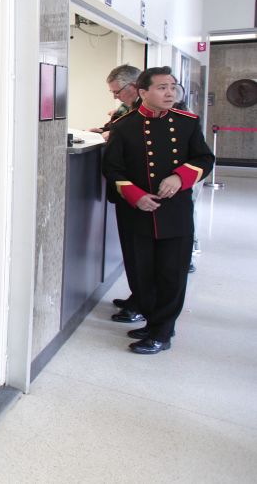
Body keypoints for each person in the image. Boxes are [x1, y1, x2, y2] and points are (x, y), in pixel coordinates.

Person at [102, 67, 214, 354]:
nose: (169, 92)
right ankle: (154, 323)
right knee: (142, 272)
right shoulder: (123, 126)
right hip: (137, 211)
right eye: (162, 87)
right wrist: (135, 195)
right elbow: (112, 168)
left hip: (174, 210)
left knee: (170, 273)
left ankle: (163, 332)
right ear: (143, 92)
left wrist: (180, 177)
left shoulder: (187, 122)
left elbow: (204, 158)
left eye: (172, 86)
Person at [90, 64, 141, 140]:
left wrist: (116, 135)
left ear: (133, 86)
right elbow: (114, 125)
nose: (114, 97)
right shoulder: (126, 106)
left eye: (117, 92)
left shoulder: (150, 106)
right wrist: (101, 131)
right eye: (112, 92)